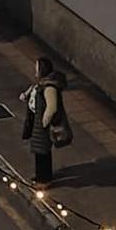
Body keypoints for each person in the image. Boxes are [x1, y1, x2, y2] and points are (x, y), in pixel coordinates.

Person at [22, 56, 68, 187]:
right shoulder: (41, 84)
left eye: (37, 68)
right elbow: (33, 90)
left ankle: (44, 179)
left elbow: (51, 107)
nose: (35, 71)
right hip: (36, 122)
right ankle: (40, 176)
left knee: (43, 152)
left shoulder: (49, 88)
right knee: (39, 151)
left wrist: (44, 122)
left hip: (42, 125)